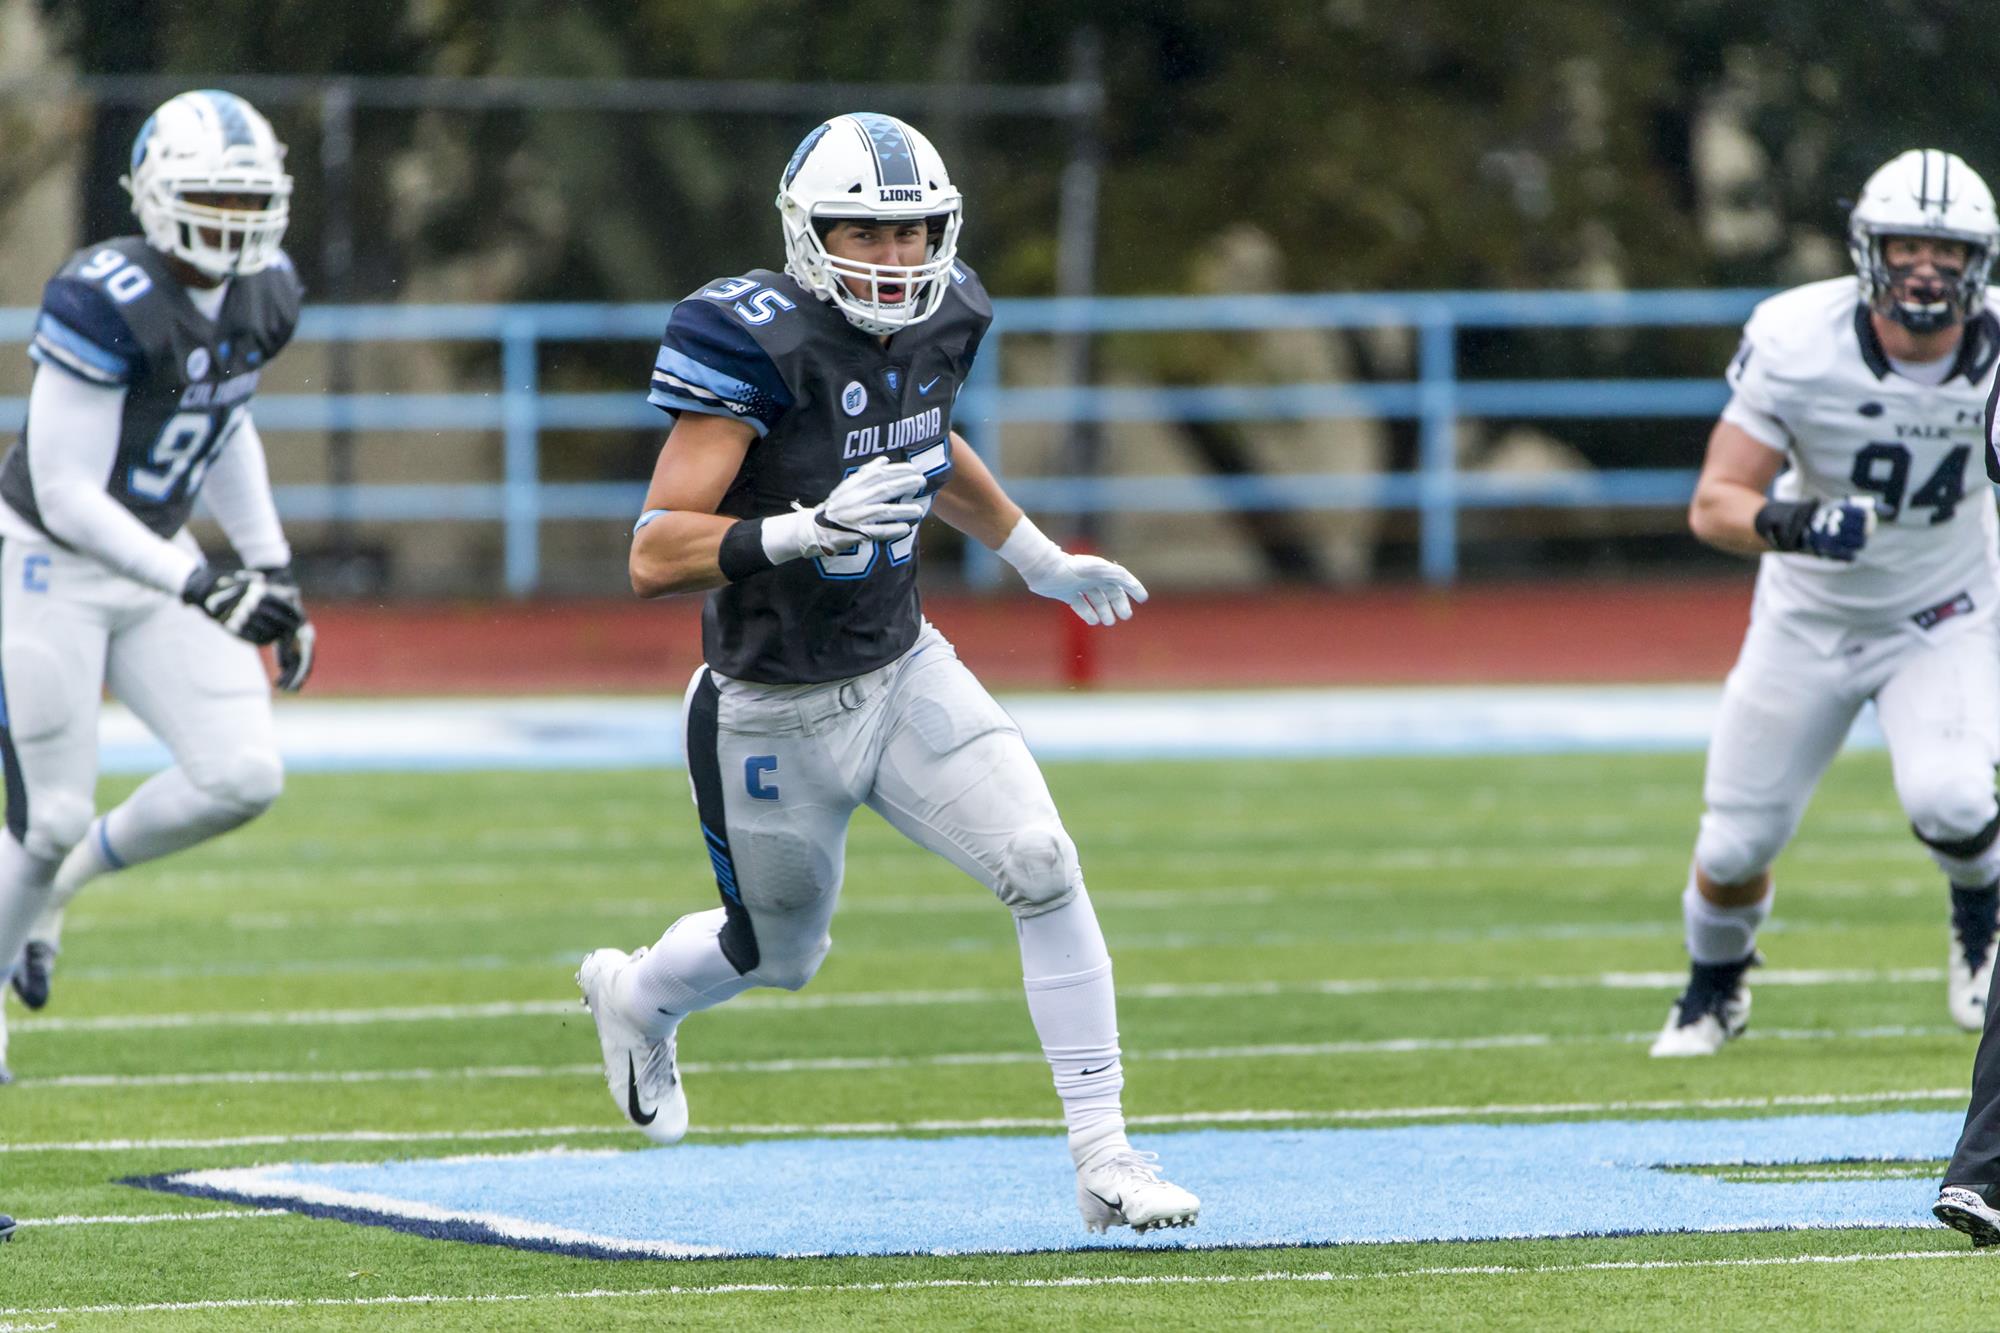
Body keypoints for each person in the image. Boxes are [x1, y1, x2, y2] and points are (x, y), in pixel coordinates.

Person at [576, 112, 1199, 1233]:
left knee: (1041, 859)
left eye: (913, 235)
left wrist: (1034, 556)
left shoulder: (947, 313)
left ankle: (1105, 1157)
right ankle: (633, 995)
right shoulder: (748, 335)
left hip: (904, 666)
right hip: (767, 708)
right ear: (807, 234)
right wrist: (801, 527)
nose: (894, 259)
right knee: (778, 953)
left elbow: (929, 436)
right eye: (863, 231)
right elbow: (653, 547)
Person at [1650, 149, 2000, 1059]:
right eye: (1907, 244)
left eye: (1947, 249)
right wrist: (1799, 522)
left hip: (1946, 606)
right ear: (1867, 250)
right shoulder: (1797, 337)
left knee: (1956, 795)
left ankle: (1980, 920)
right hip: (1809, 611)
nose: (1926, 266)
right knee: (1733, 843)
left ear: (1979, 261)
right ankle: (1713, 988)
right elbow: (1713, 501)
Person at [0, 90, 315, 1082]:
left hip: (153, 561)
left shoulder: (268, 293)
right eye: (208, 195)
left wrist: (269, 568)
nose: (229, 217)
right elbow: (66, 492)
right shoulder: (103, 294)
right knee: (43, 818)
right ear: (153, 196)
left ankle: (60, 889)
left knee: (241, 775)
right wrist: (200, 581)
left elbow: (222, 419)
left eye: (245, 195)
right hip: (45, 560)